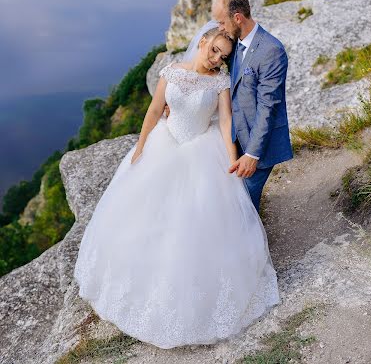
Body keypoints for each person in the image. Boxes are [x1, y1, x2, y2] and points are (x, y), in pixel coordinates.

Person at [73, 23, 280, 350]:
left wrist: (231, 157)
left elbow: (225, 121)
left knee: (194, 222)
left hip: (200, 148)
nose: (216, 59)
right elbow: (155, 110)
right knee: (143, 215)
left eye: (223, 56)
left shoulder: (220, 81)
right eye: (213, 50)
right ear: (202, 42)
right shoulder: (171, 71)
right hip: (164, 144)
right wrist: (140, 147)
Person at [212, 0, 293, 213]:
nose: (220, 28)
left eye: (221, 22)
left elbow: (268, 107)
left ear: (237, 18)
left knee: (243, 206)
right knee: (231, 201)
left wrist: (252, 155)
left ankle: (253, 247)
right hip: (234, 140)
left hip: (259, 148)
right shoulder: (235, 43)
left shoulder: (271, 51)